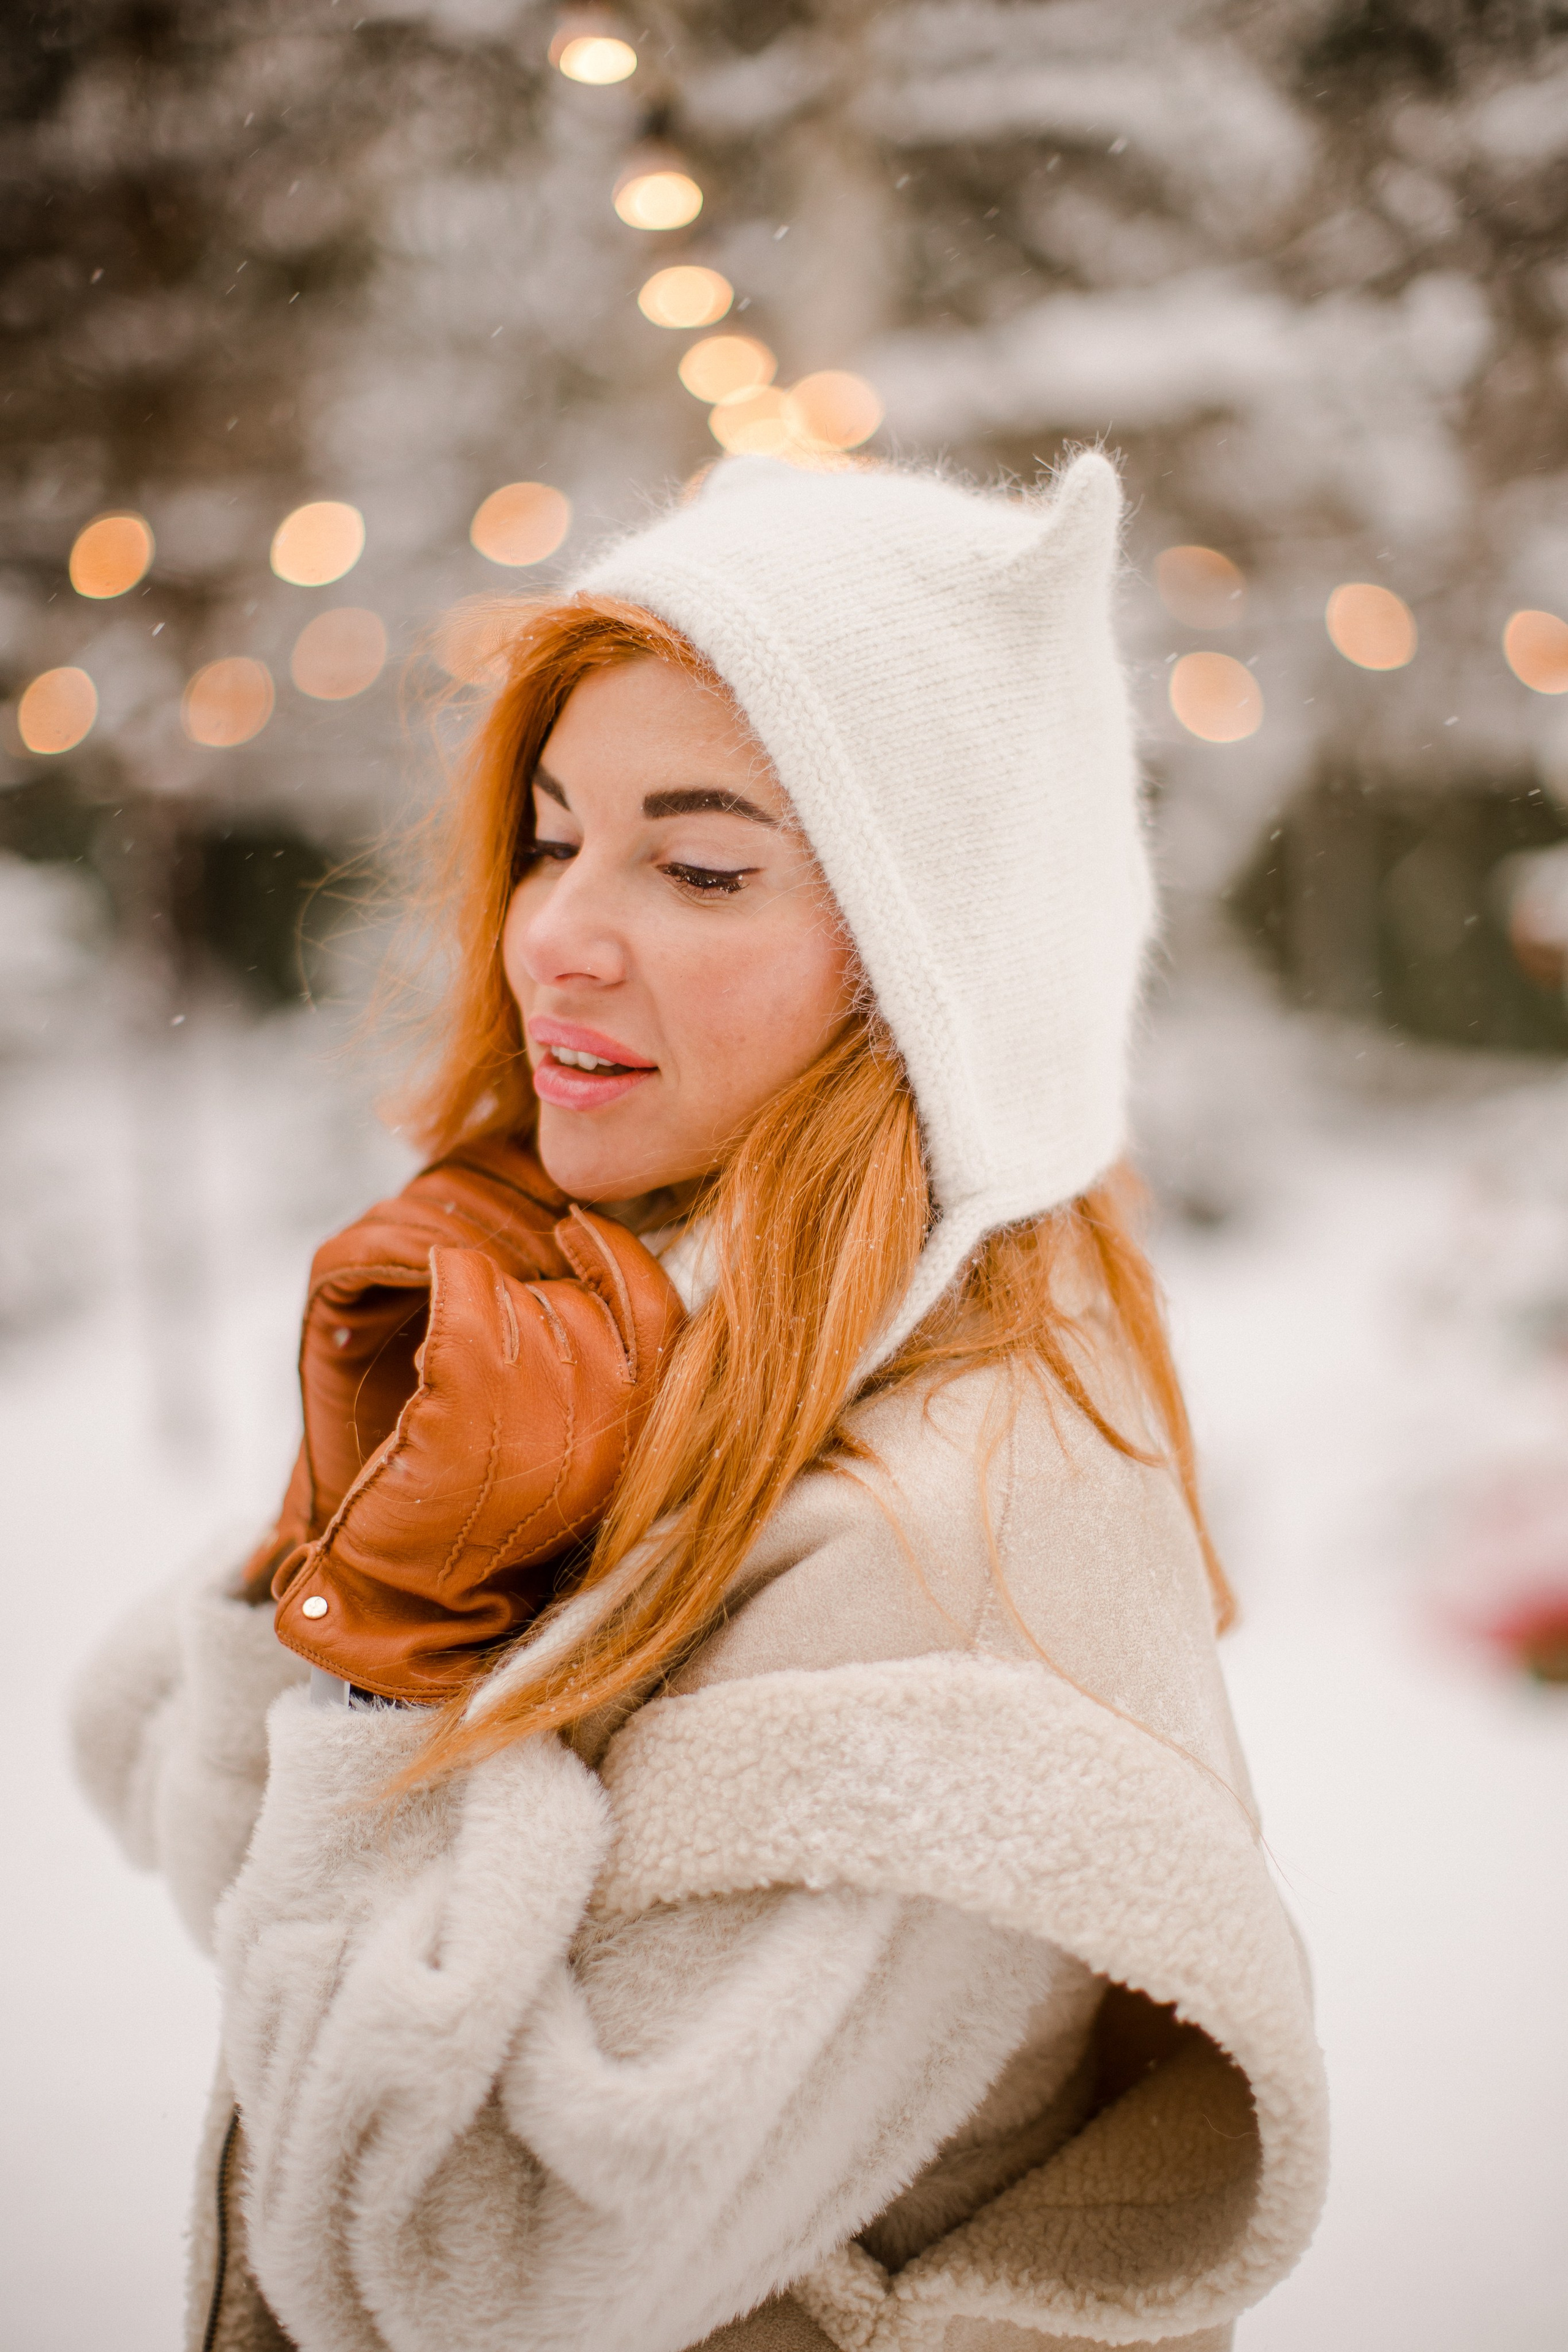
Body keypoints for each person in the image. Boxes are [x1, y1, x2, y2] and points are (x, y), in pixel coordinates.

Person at [72, 451, 1328, 2352]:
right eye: (556, 834)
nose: (558, 928)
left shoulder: (961, 1537)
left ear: (933, 982)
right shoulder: (633, 1331)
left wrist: (403, 1650)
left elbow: (480, 2274)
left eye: (703, 864)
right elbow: (179, 1805)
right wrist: (334, 1545)